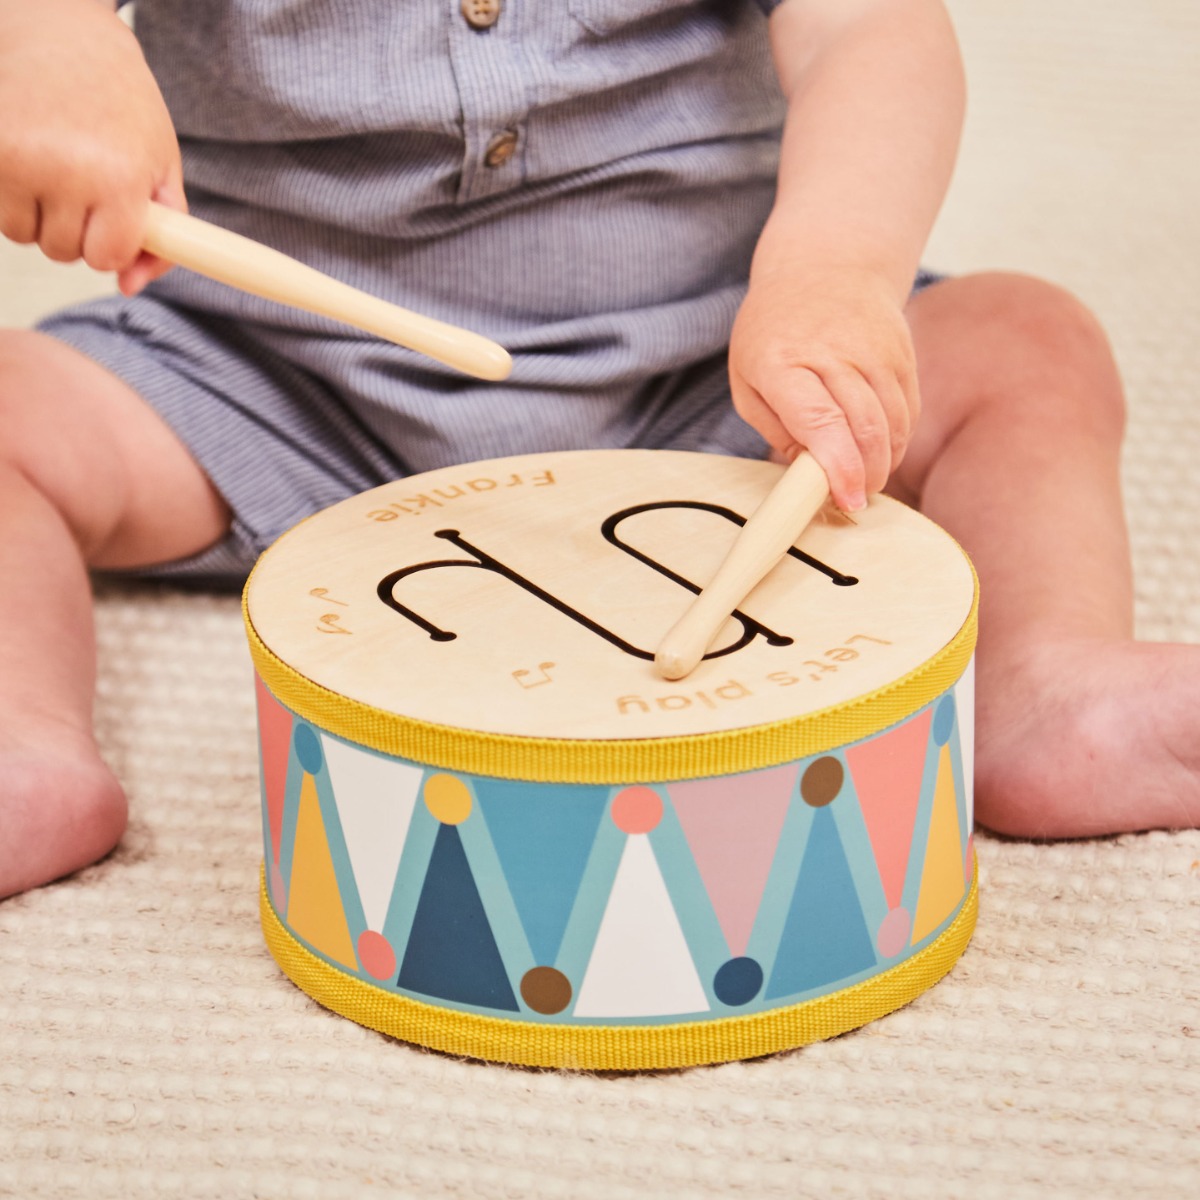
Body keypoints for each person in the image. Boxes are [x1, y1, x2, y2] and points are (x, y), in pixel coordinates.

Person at [0, 0, 1196, 899]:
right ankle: (21, 741)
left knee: (1026, 342)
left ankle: (1043, 682)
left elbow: (871, 34)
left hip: (721, 373)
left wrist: (836, 277)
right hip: (269, 378)